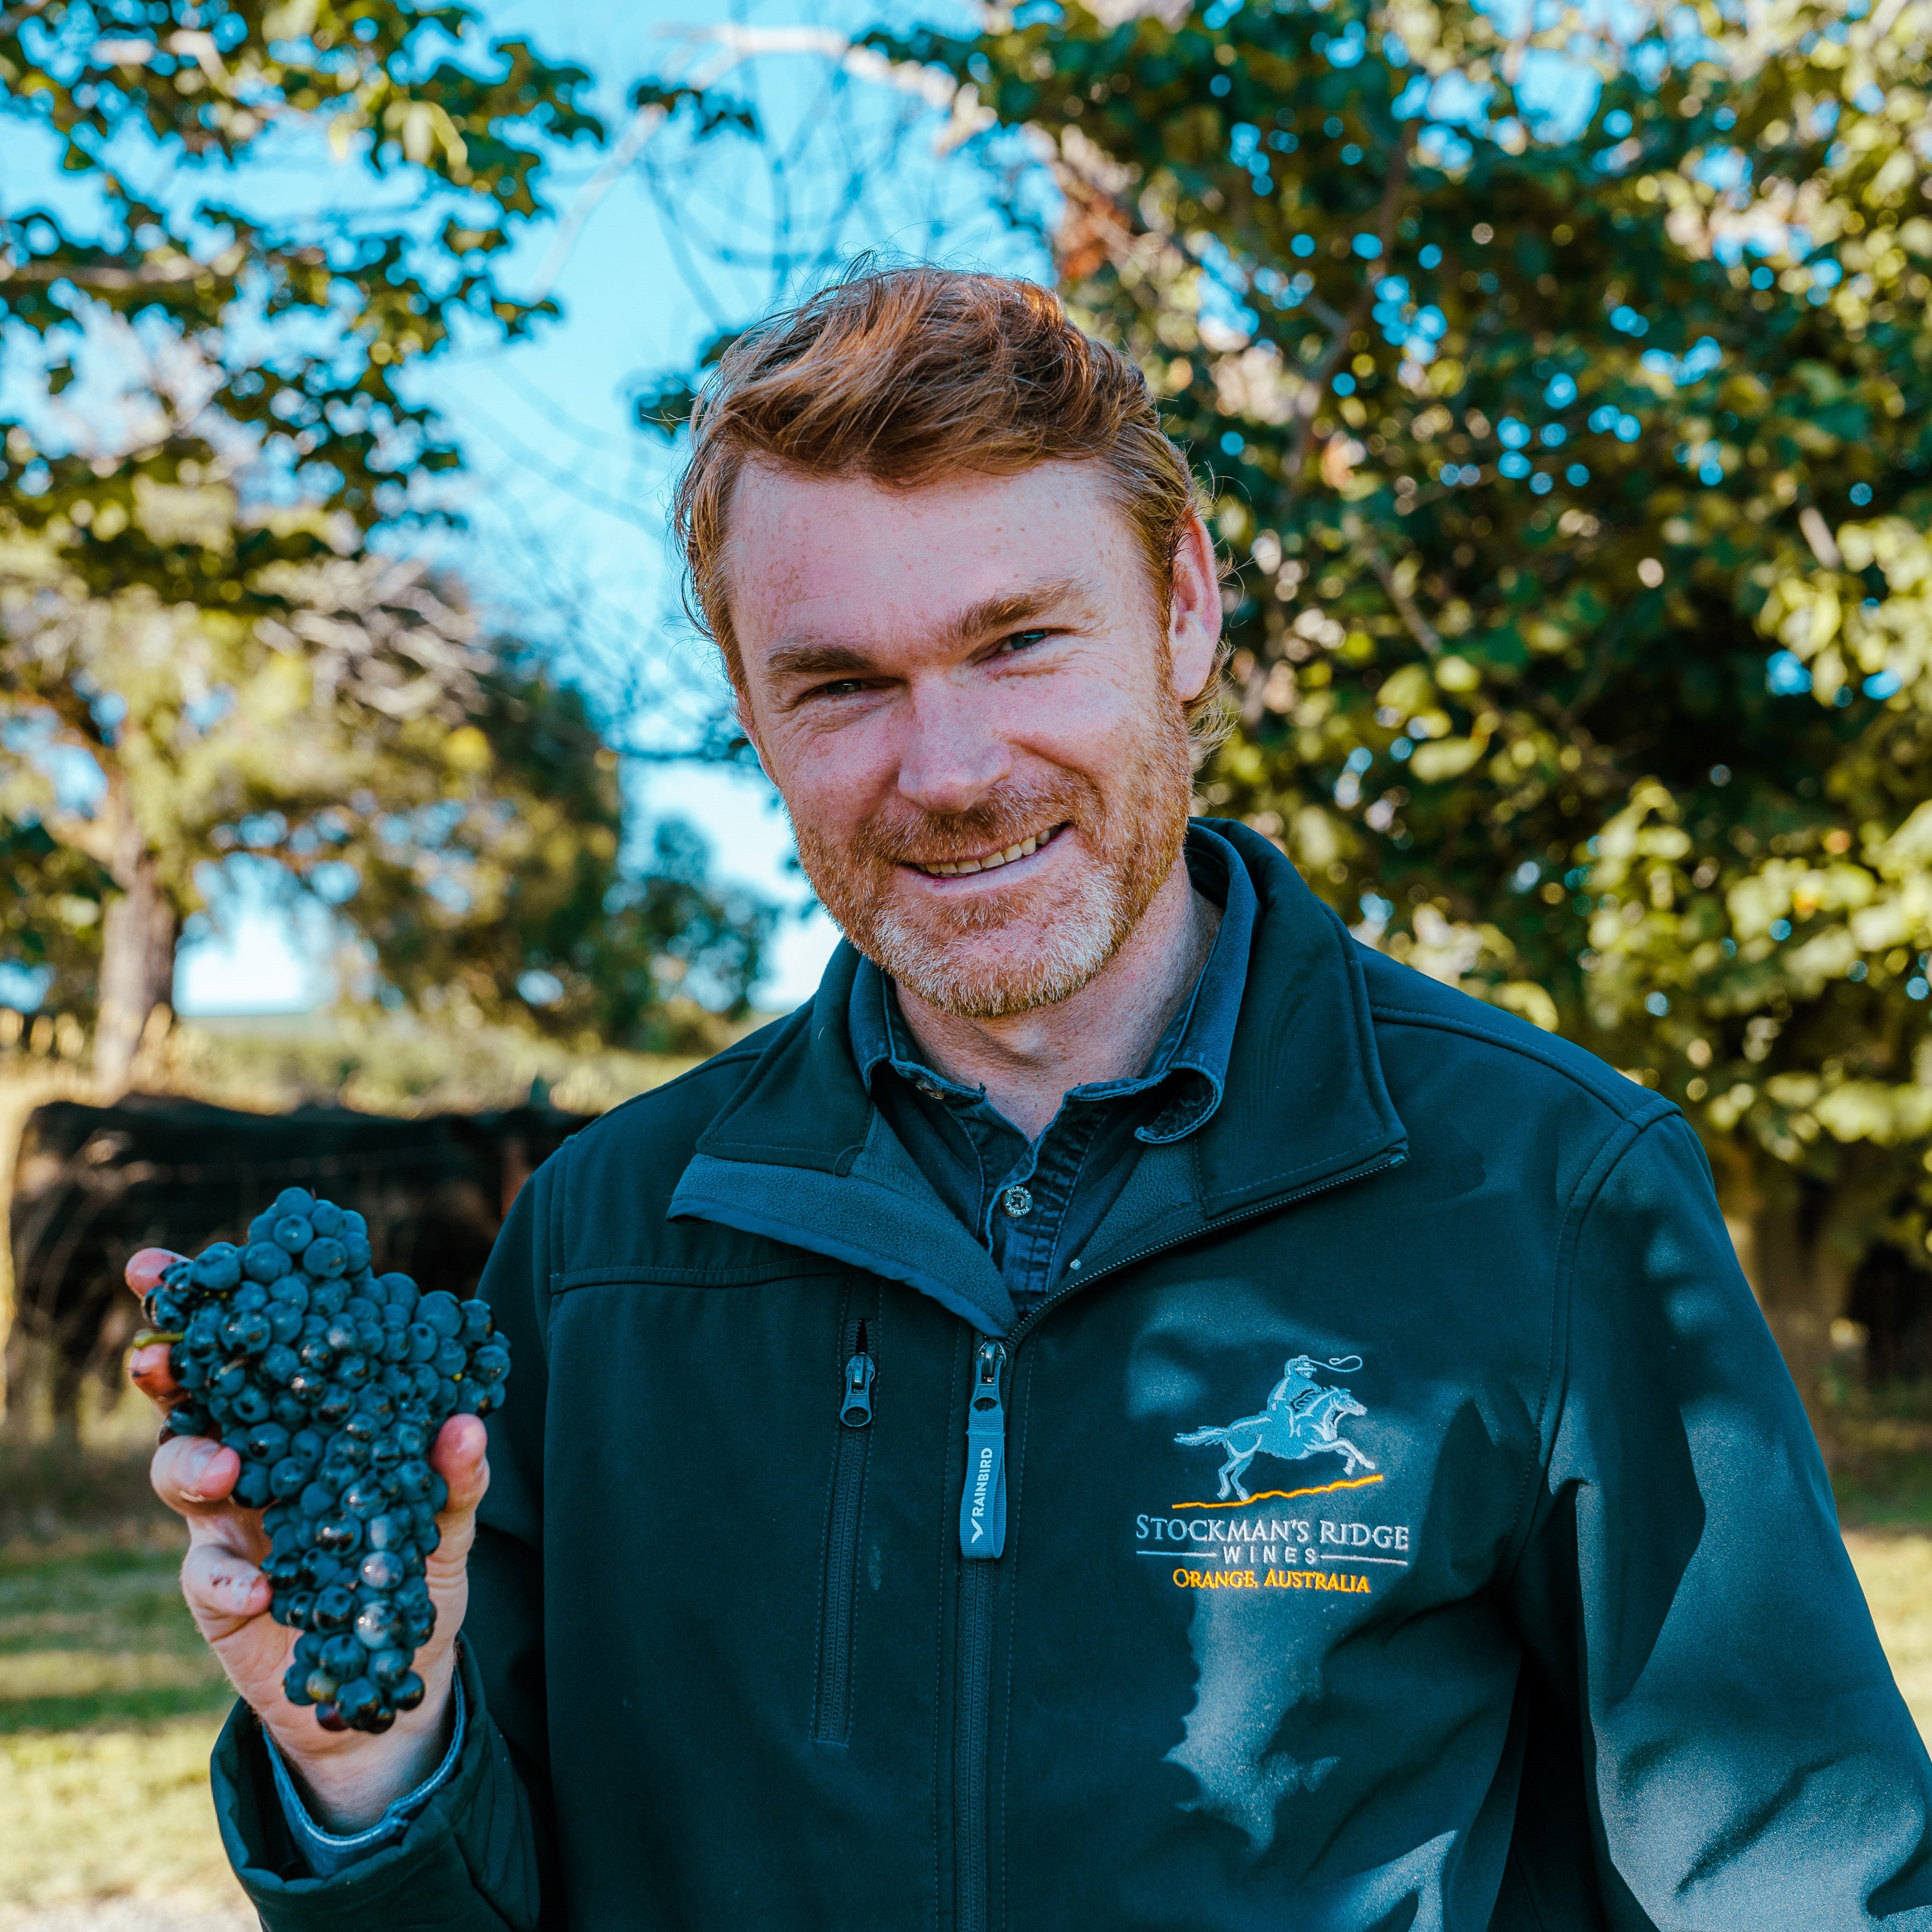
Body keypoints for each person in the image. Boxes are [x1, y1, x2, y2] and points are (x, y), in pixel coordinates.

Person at [127, 266, 1932, 1931]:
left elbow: (1801, 1871)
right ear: (753, 715)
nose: (951, 769)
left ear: (1185, 610)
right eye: (840, 683)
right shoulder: (606, 1247)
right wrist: (366, 1760)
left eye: (1018, 644)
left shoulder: (1547, 1190)